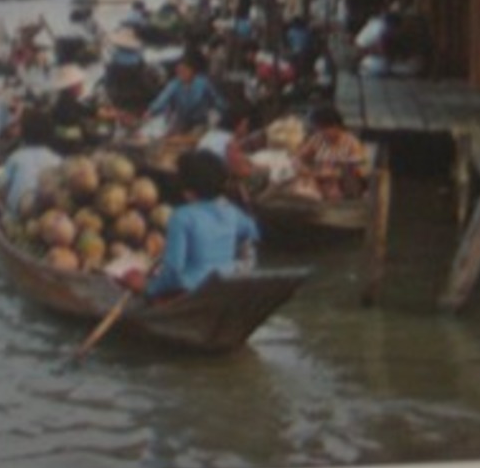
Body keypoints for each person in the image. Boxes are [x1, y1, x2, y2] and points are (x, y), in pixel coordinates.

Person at [117, 149, 259, 298]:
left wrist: (147, 287)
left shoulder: (182, 217)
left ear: (187, 190)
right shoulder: (231, 212)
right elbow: (252, 232)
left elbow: (173, 272)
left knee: (131, 278)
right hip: (221, 286)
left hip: (190, 291)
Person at [292, 105, 369, 200]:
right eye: (318, 129)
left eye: (325, 128)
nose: (322, 132)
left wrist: (335, 173)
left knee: (333, 189)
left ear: (336, 125)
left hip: (342, 185)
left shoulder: (351, 143)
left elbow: (360, 170)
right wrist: (302, 167)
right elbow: (299, 157)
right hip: (319, 180)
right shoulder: (318, 139)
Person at [143, 48, 227, 136]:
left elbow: (218, 101)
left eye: (184, 70)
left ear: (192, 70)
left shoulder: (203, 83)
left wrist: (218, 114)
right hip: (181, 120)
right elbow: (163, 99)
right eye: (179, 71)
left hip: (200, 121)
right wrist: (151, 111)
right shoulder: (174, 84)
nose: (181, 74)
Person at [0, 107, 62, 214]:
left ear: (24, 133)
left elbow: (1, 185)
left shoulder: (16, 158)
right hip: (49, 215)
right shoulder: (57, 159)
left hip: (19, 216)